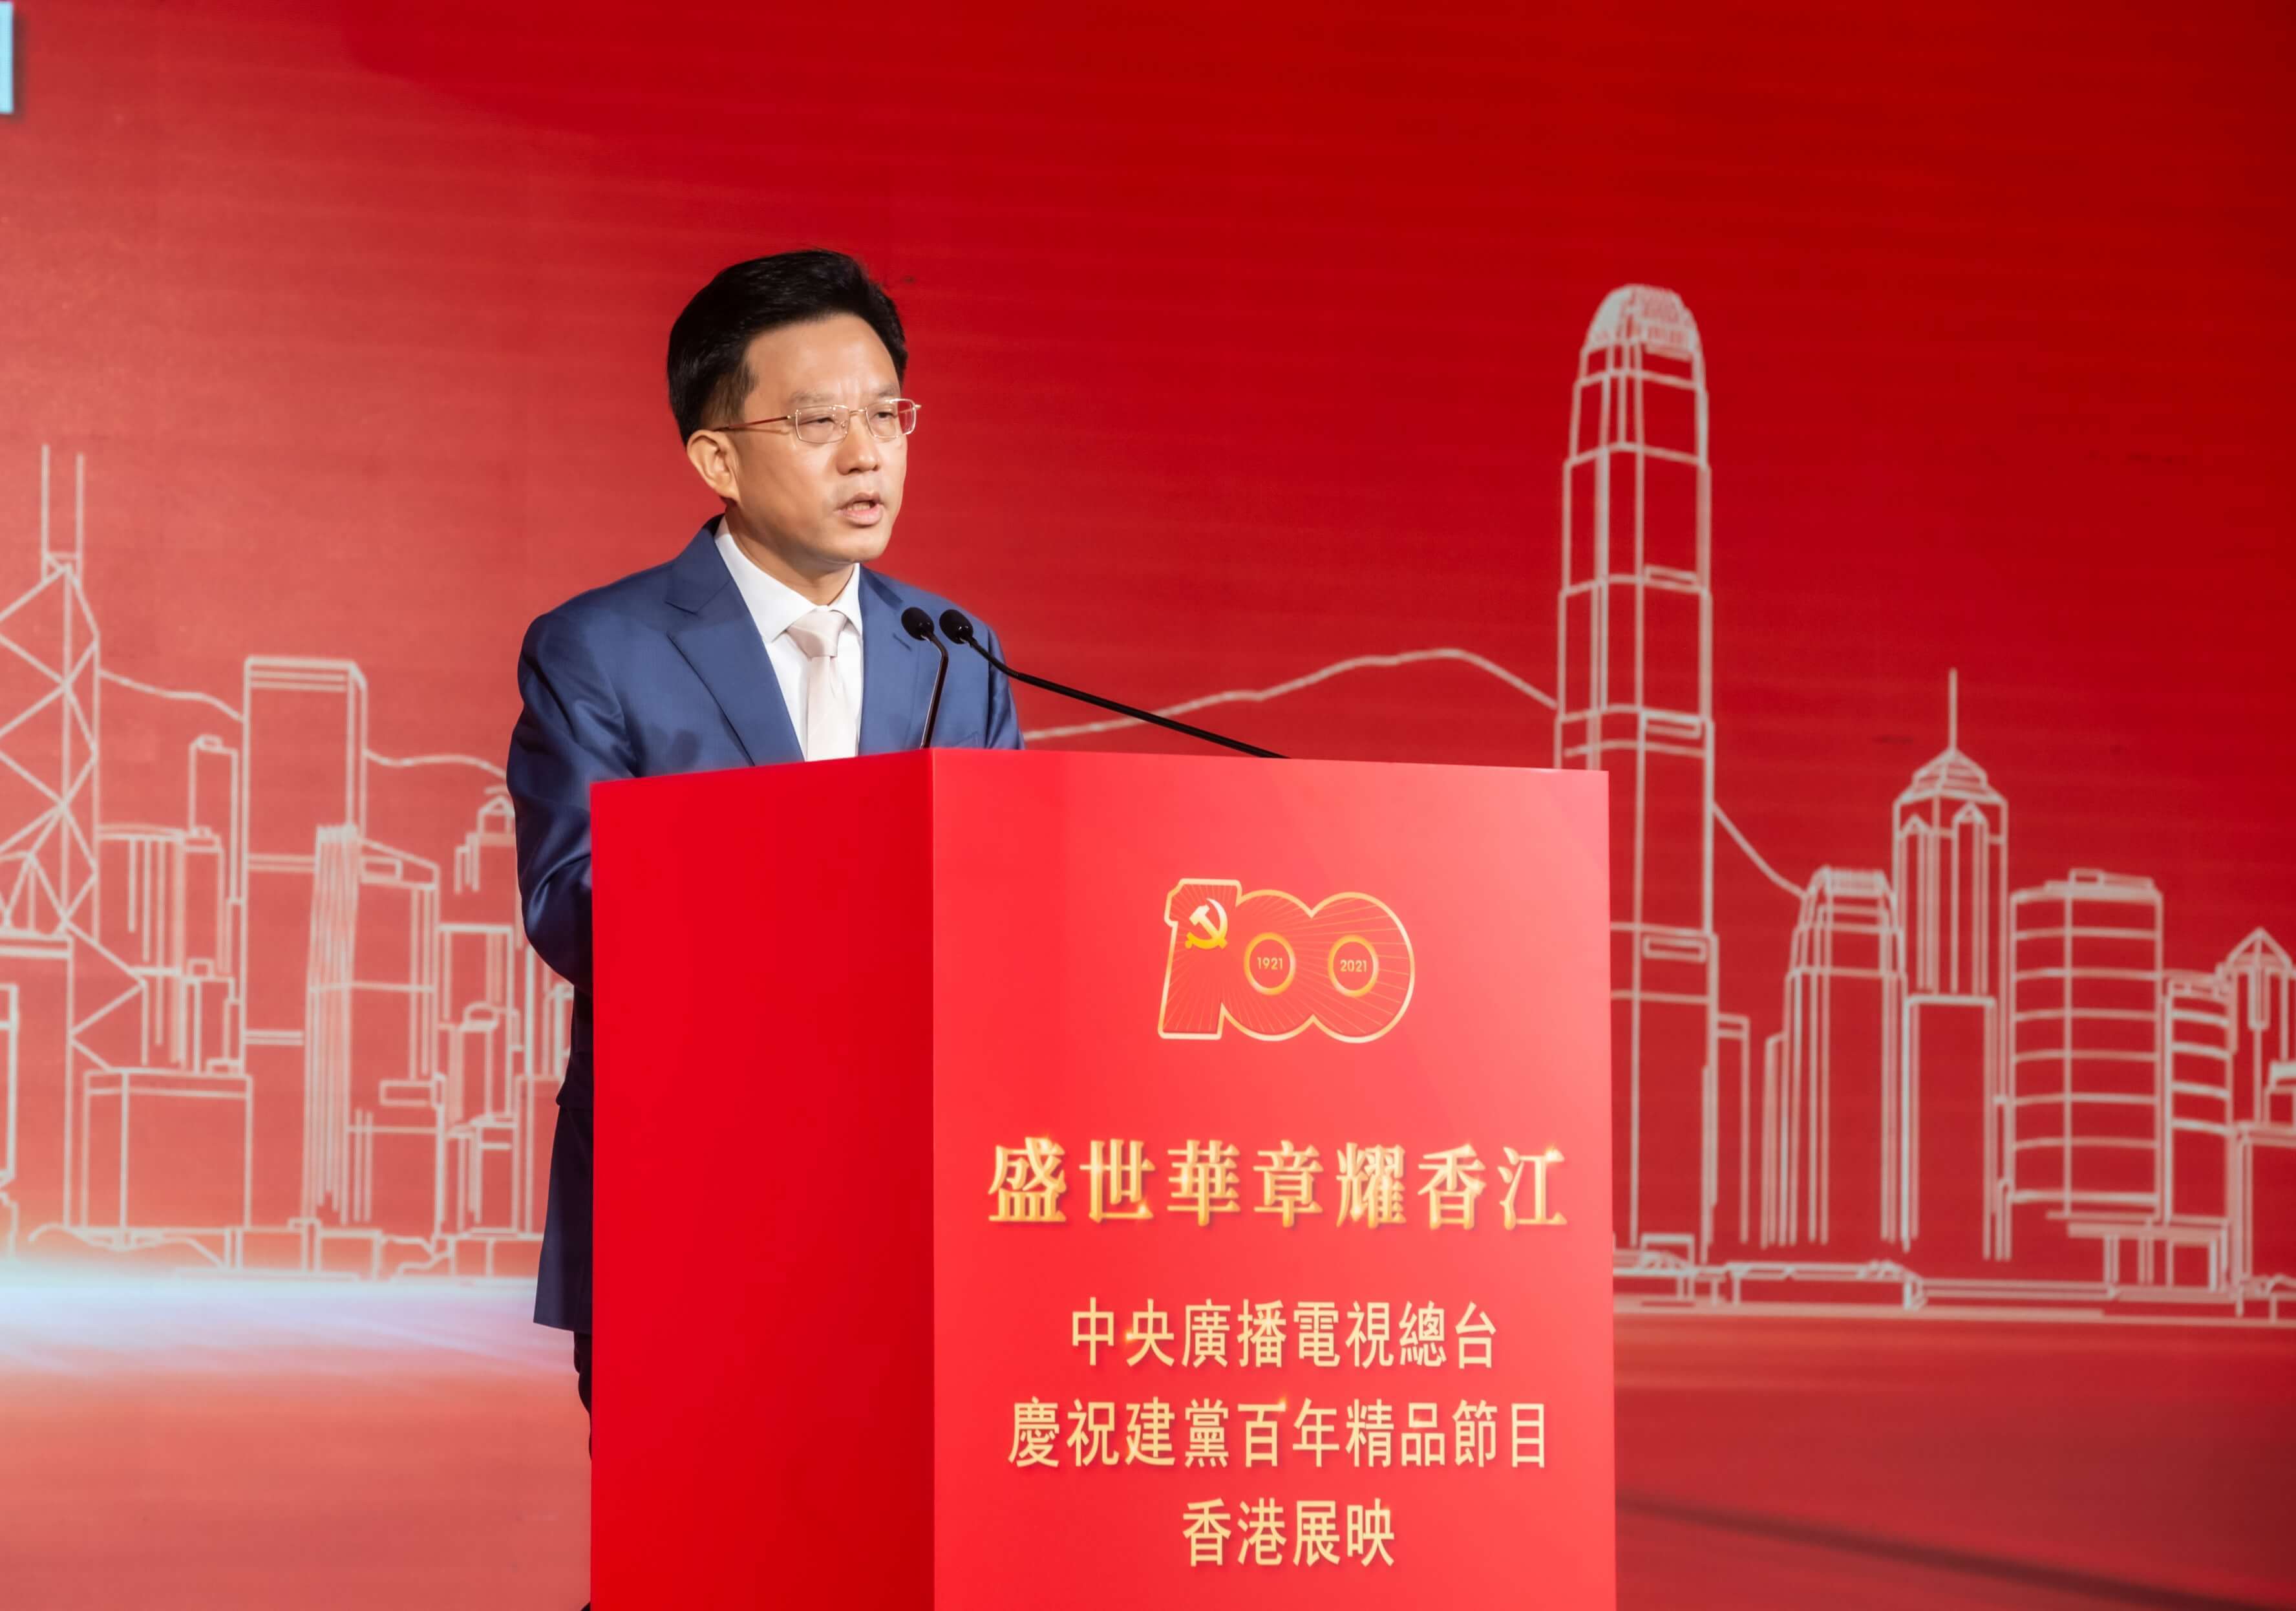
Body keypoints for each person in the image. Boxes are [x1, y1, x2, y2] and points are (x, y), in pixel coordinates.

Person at [504, 250, 1022, 1588]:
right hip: (690, 1202)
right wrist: (824, 890)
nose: (867, 453)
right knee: (701, 1566)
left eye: (888, 413)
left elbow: (1009, 909)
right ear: (717, 456)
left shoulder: (957, 651)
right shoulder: (601, 646)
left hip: (908, 1216)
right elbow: (570, 903)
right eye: (818, 420)